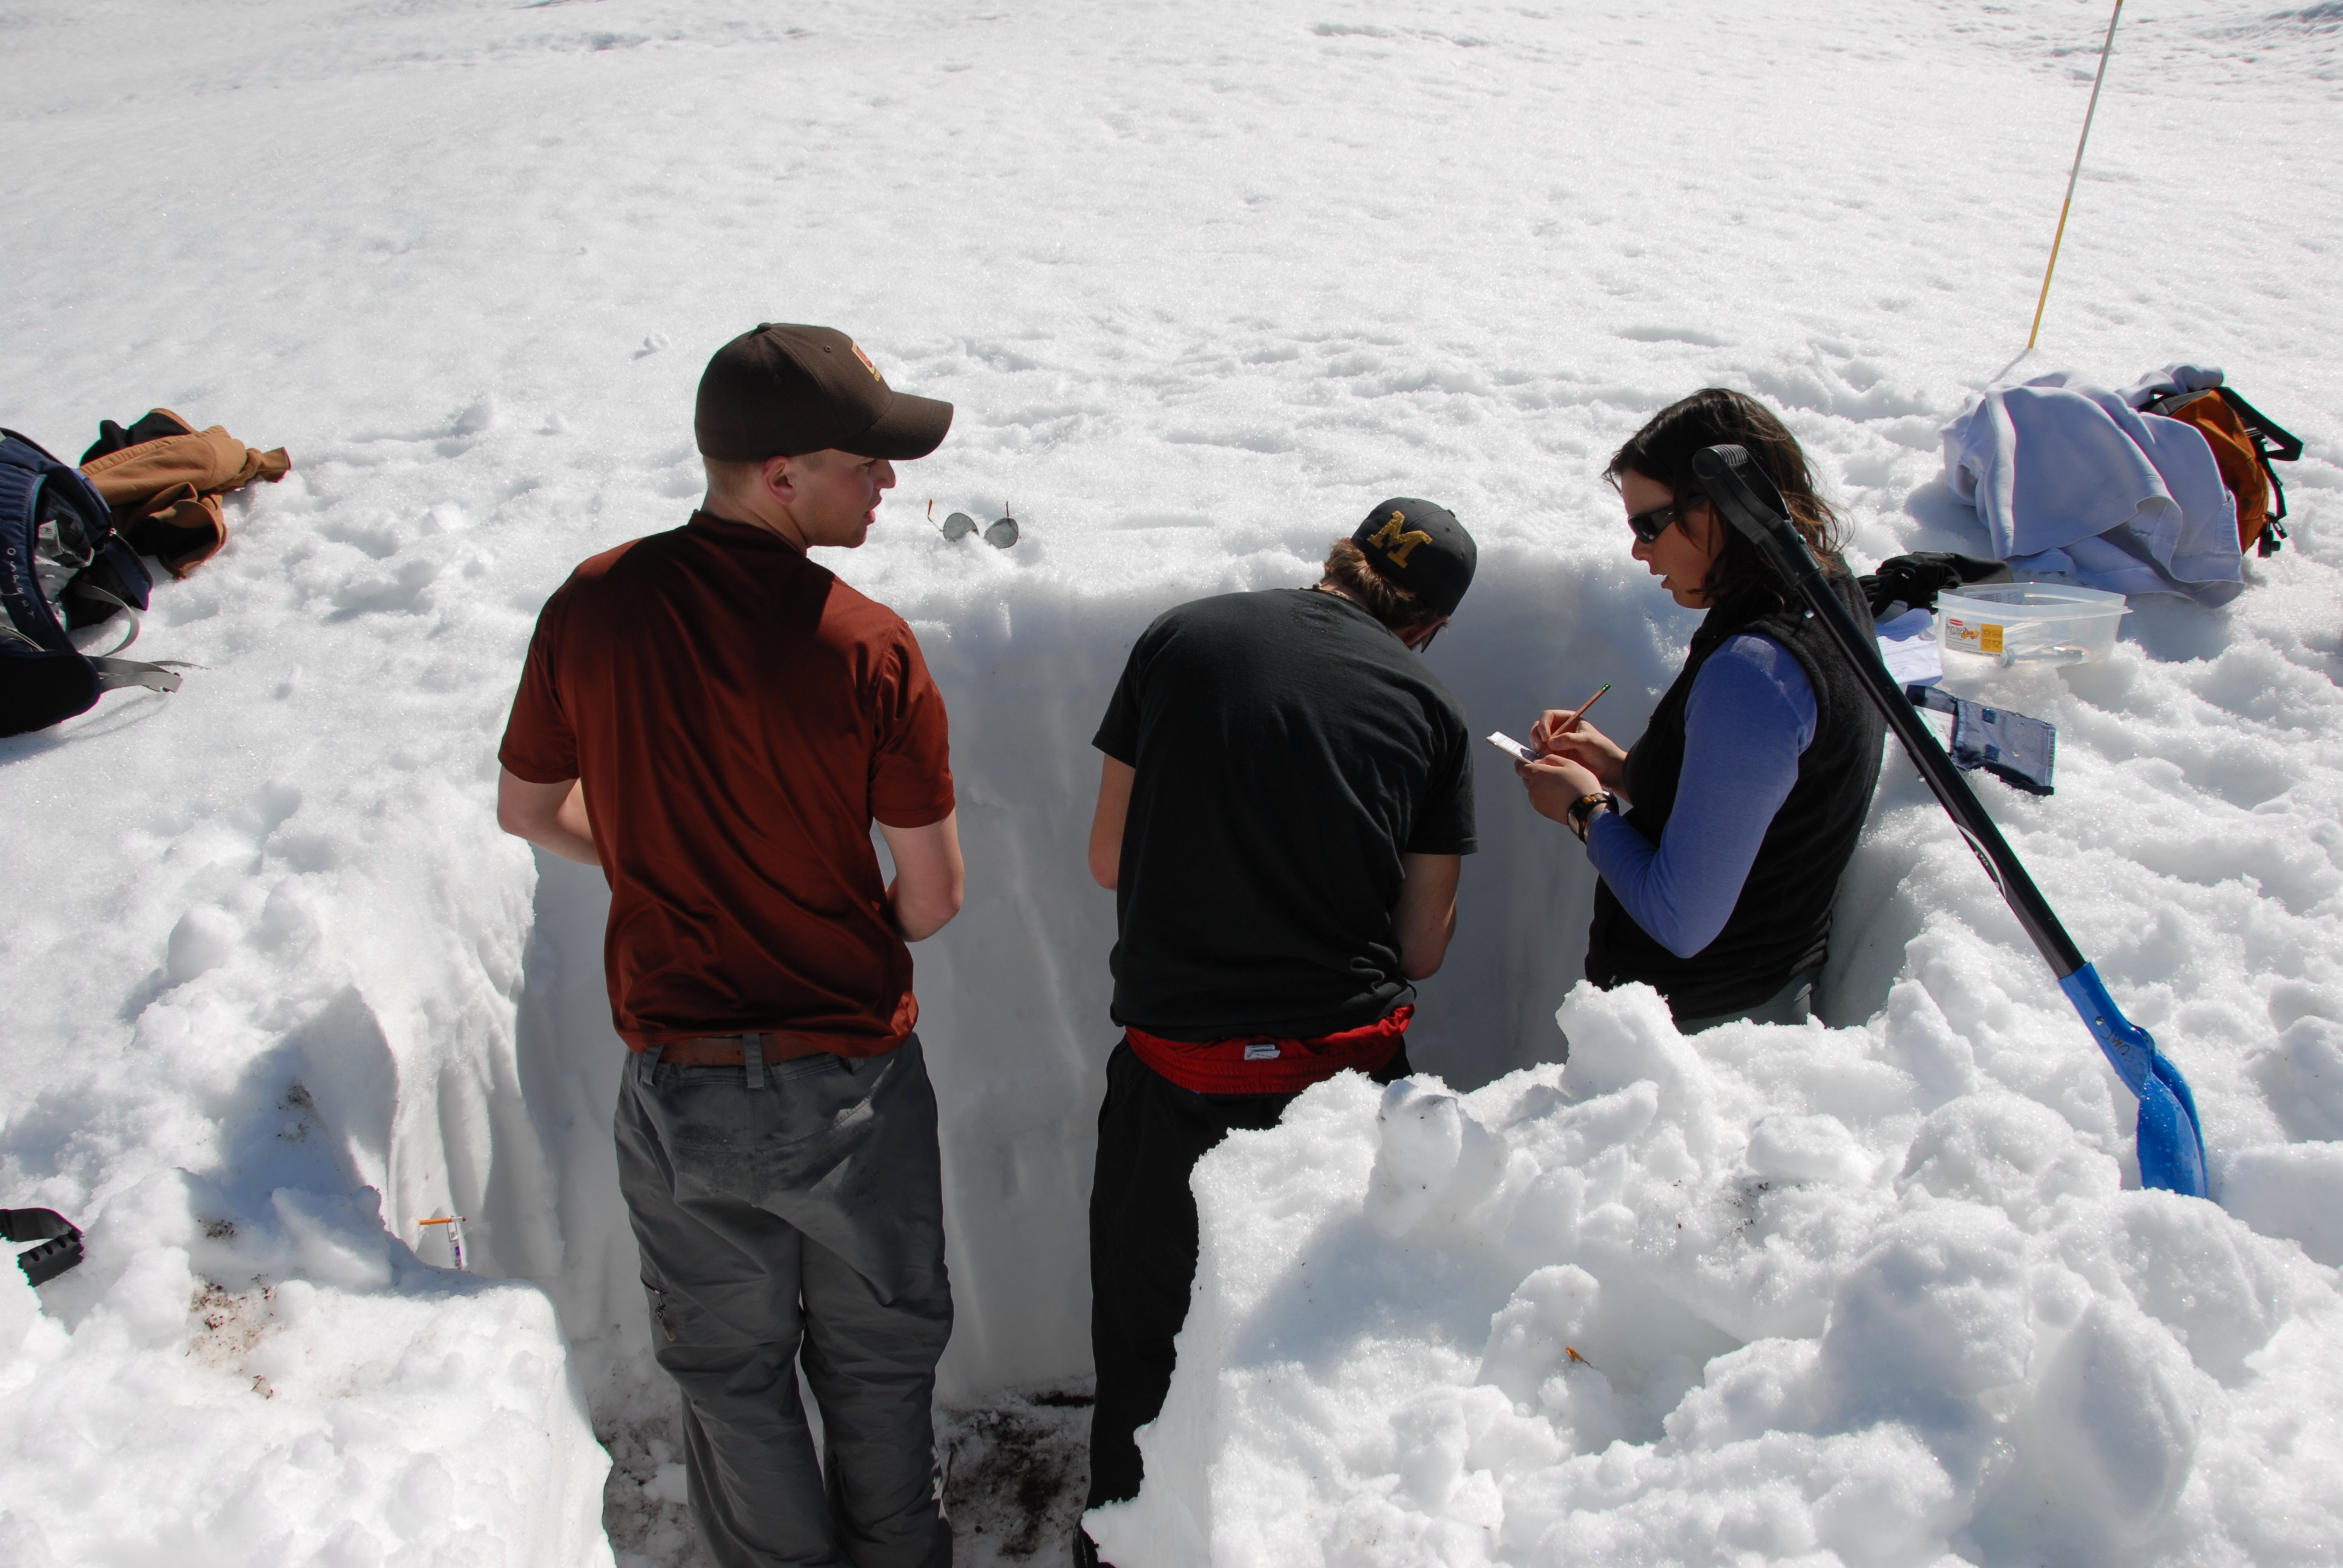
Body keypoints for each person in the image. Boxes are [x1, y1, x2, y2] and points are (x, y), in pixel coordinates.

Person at [496, 322, 965, 1568]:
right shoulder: (866, 644)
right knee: (878, 1361)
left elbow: (532, 810)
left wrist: (659, 858)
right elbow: (932, 896)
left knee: (729, 1379)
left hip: (680, 1086)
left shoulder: (592, 607)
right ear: (778, 476)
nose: (887, 481)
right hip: (852, 1080)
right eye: (863, 460)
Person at [1077, 500, 1481, 1562]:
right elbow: (1423, 947)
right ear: (1428, 625)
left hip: (1178, 1078)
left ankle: (1123, 1543)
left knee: (1145, 1341)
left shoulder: (1182, 637)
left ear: (1335, 563)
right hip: (1342, 1083)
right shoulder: (1432, 708)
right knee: (1316, 1356)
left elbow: (1109, 857)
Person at [1515, 388, 1886, 1031]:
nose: (1638, 551)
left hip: (1701, 1028)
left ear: (1722, 507)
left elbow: (1681, 917)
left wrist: (1584, 811)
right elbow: (1754, 804)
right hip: (1758, 991)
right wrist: (1617, 767)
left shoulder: (1755, 673)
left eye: (1647, 525)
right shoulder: (1827, 592)